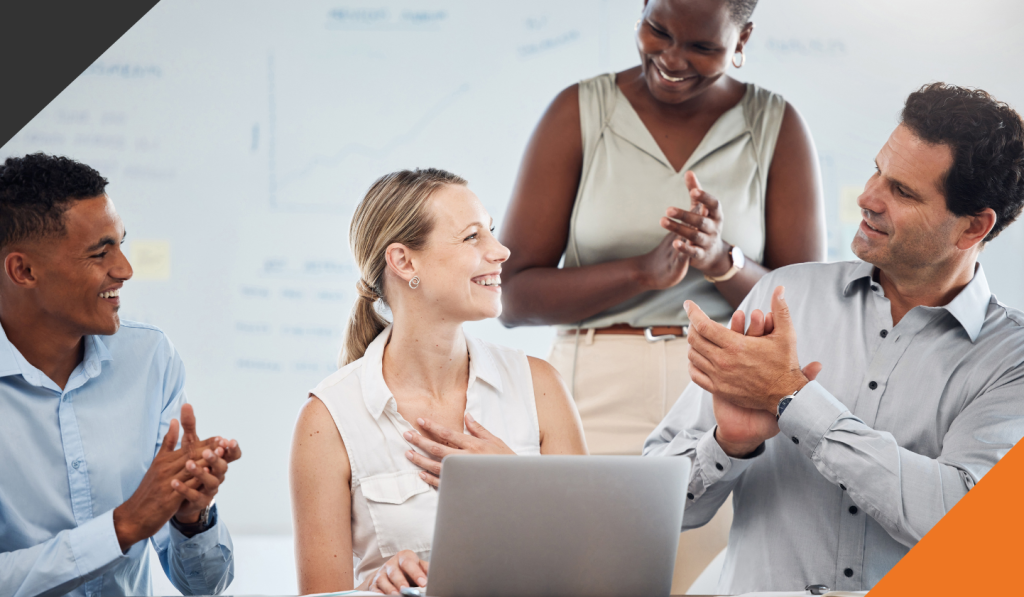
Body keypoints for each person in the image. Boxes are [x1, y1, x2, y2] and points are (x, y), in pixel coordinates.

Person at [646, 82, 1024, 593]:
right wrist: (728, 444)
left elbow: (960, 521)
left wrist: (794, 400)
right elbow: (656, 507)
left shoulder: (1011, 359)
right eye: (877, 171)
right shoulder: (784, 297)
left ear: (973, 228)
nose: (869, 198)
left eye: (903, 192)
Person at [498, 0, 825, 586]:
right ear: (640, 14)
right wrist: (642, 274)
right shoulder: (580, 111)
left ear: (743, 37)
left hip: (725, 394)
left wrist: (723, 262)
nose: (672, 59)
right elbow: (514, 297)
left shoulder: (775, 125)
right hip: (593, 392)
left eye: (702, 46)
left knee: (713, 581)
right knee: (586, 579)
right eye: (658, 31)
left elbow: (805, 307)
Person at [289, 168, 587, 595]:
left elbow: (592, 568)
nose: (501, 251)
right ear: (404, 261)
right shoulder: (328, 420)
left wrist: (517, 488)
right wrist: (373, 588)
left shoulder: (541, 387)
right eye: (472, 237)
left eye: (491, 232)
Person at [0, 154, 242, 596]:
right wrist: (122, 526)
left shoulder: (150, 359)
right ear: (24, 270)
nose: (125, 269)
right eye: (100, 252)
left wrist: (190, 518)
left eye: (121, 244)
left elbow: (203, 586)